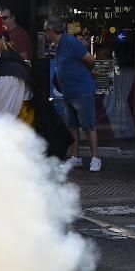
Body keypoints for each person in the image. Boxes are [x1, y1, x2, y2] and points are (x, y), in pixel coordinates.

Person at [44, 17, 101, 172]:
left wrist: (87, 72)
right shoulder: (59, 44)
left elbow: (90, 59)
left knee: (88, 126)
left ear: (51, 31)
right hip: (68, 92)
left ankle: (95, 158)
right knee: (72, 126)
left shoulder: (69, 42)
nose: (44, 34)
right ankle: (76, 157)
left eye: (45, 31)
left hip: (81, 90)